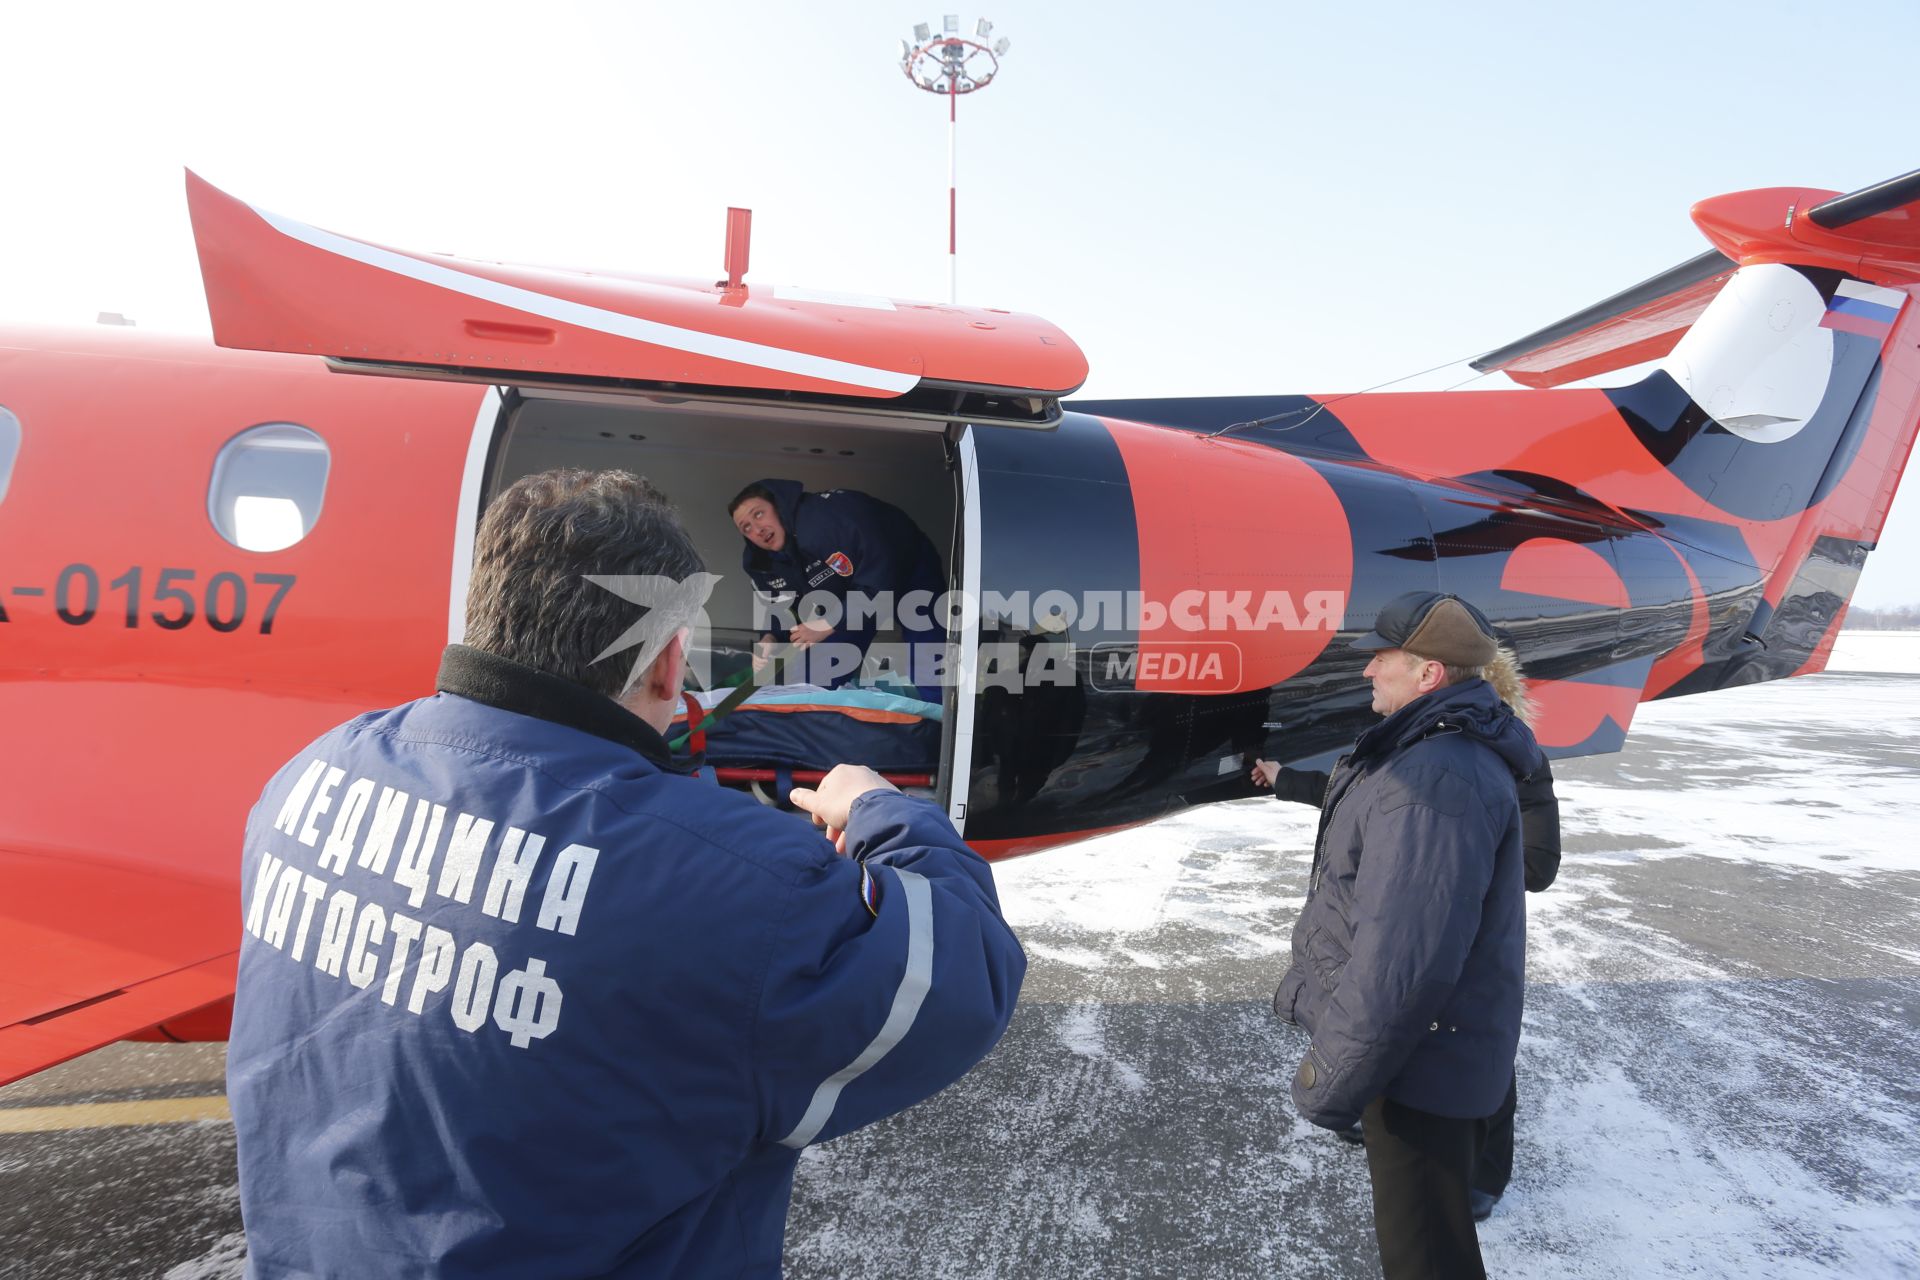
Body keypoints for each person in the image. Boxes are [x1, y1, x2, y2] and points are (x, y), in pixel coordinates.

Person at [228, 469, 1025, 1279]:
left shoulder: (307, 778)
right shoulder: (740, 884)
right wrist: (887, 815)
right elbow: (959, 980)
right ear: (667, 664)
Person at [1263, 591, 1546, 1280]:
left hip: (1419, 1067)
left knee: (1425, 1255)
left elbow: (1403, 962)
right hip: (1428, 1054)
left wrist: (1334, 1078)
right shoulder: (1426, 755)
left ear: (1430, 676)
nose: (1368, 672)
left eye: (1383, 659)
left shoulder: (1435, 778)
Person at [729, 479, 947, 699]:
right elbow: (780, 607)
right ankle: (810, 727)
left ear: (779, 507)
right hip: (847, 595)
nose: (757, 529)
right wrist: (769, 638)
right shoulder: (760, 562)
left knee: (929, 660)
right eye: (746, 527)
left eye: (758, 514)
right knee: (813, 678)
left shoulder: (824, 522)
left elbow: (881, 577)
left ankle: (941, 724)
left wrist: (829, 623)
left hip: (906, 569)